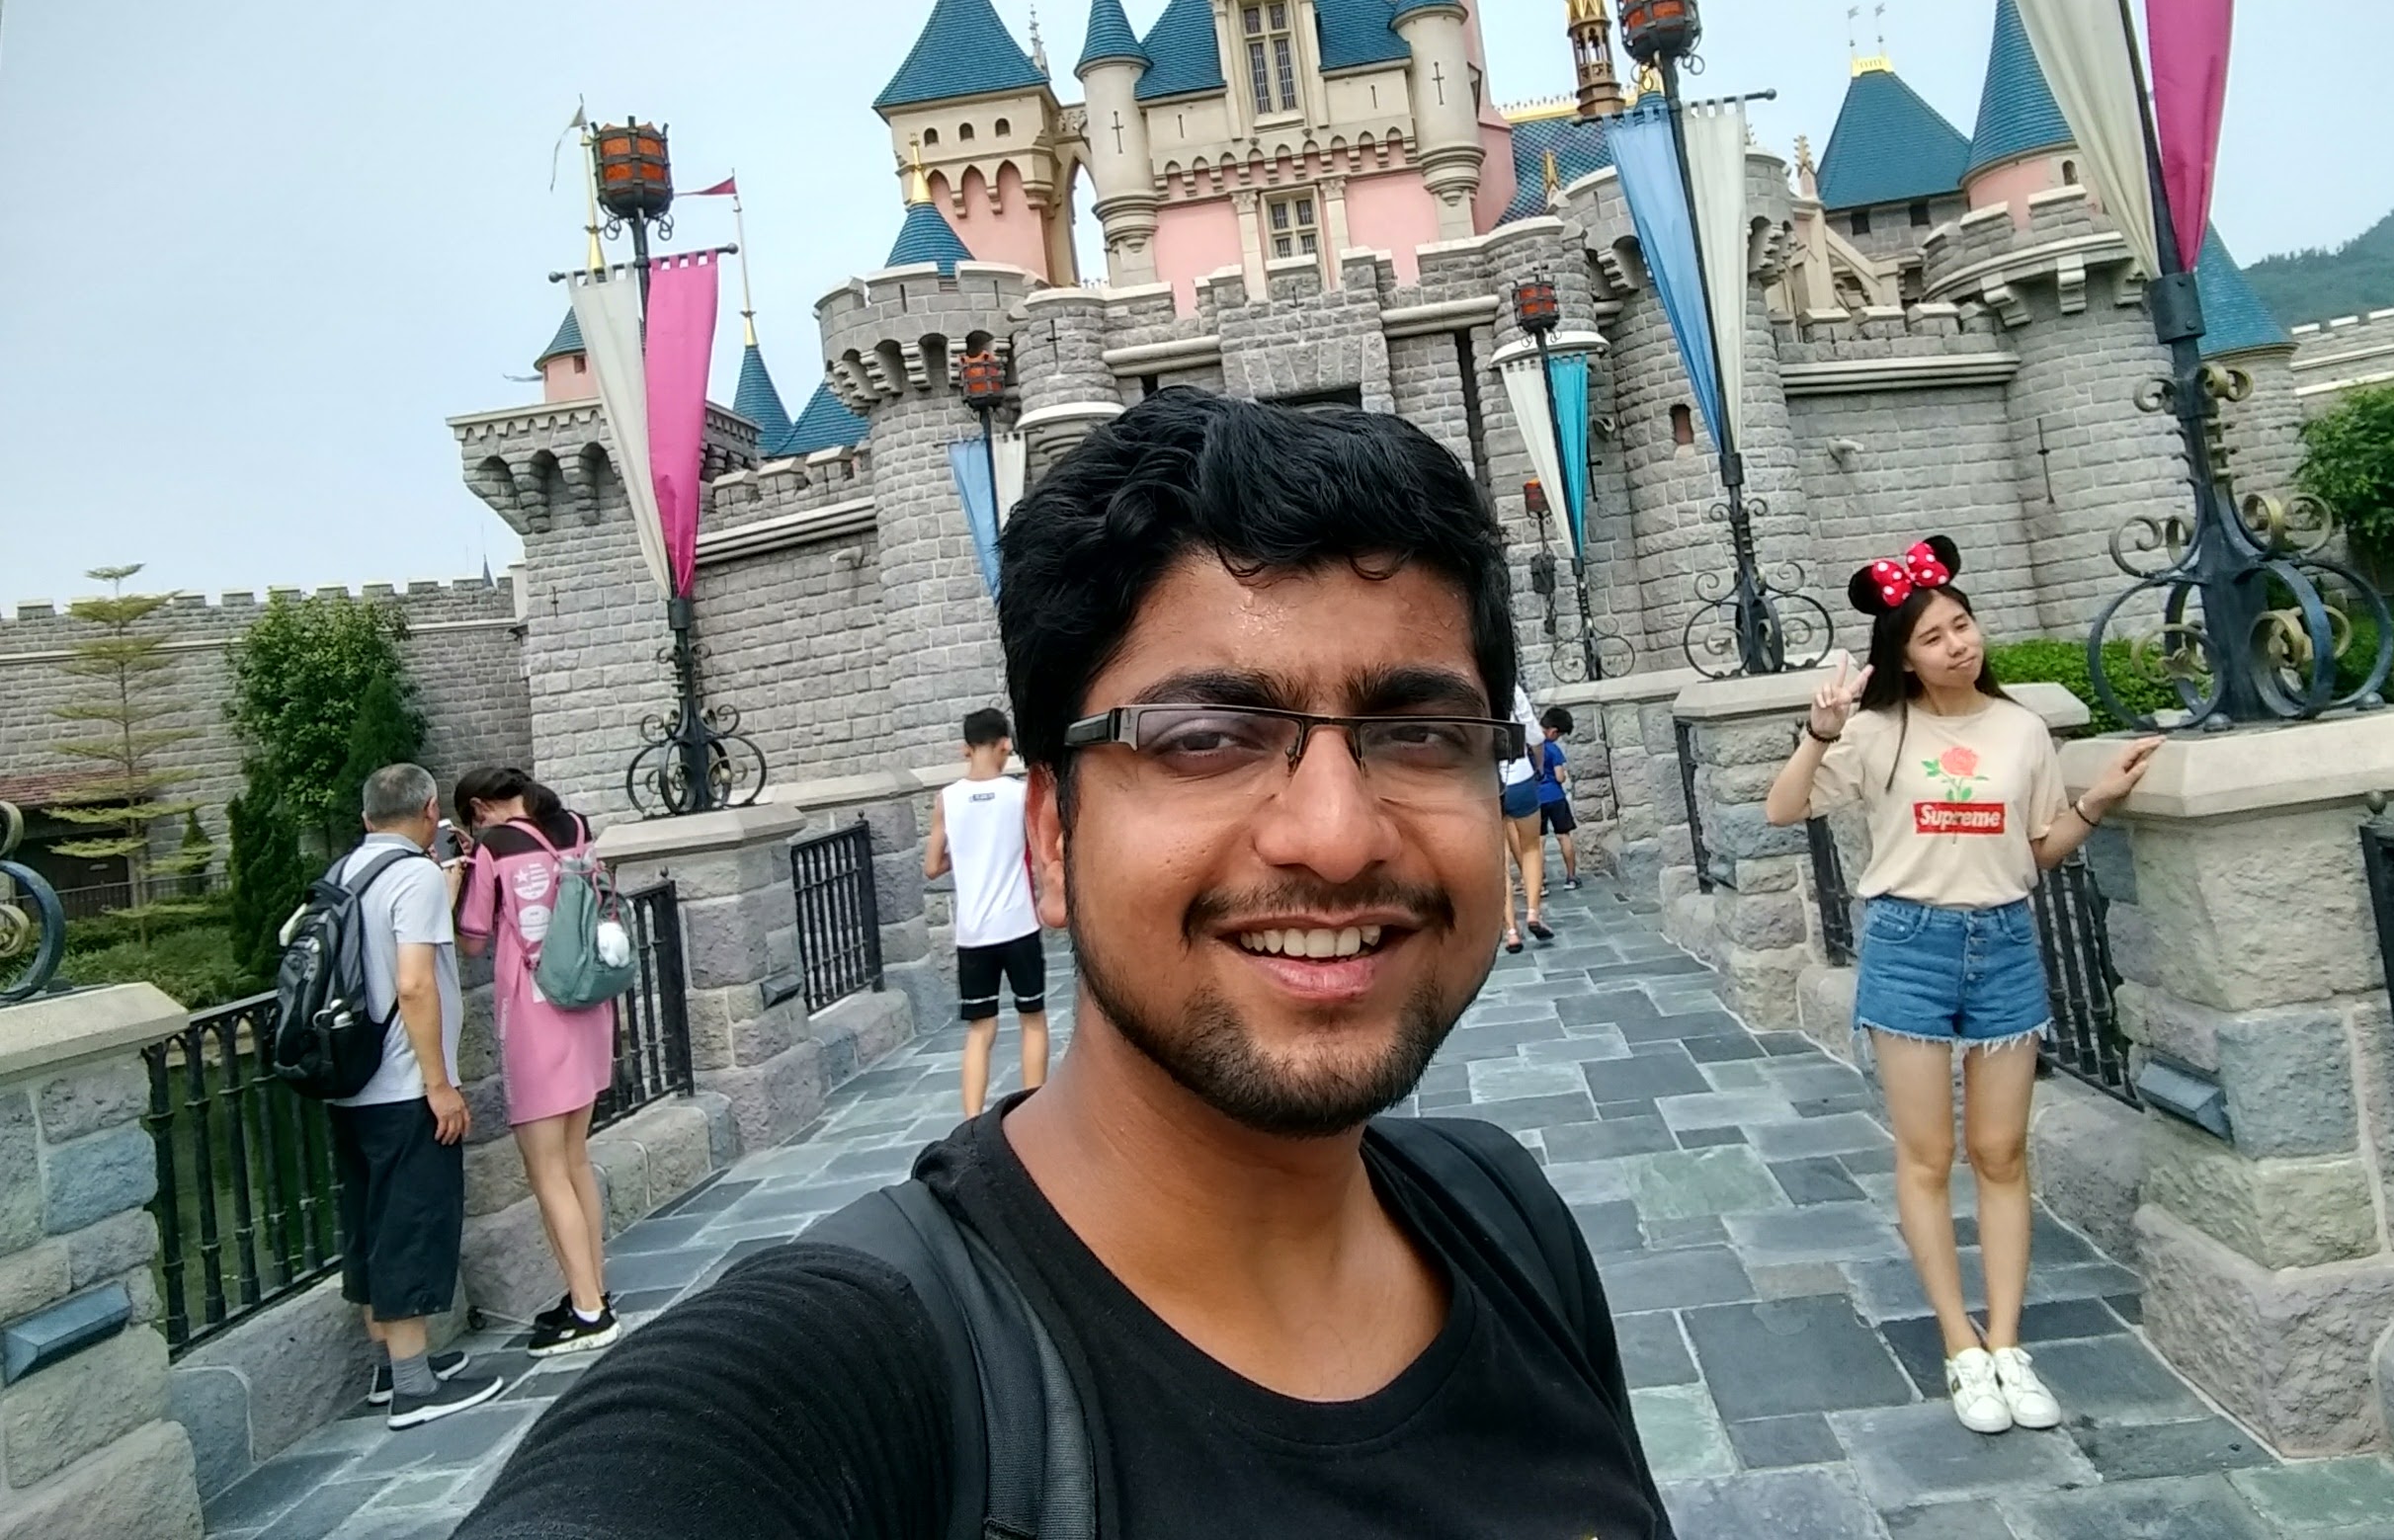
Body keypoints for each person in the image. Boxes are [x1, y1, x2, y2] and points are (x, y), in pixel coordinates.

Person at [460, 387, 1668, 1539]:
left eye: (1417, 734)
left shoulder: (1505, 1218)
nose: (1338, 835)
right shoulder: (843, 1378)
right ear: (1052, 834)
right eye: (1204, 738)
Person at [1765, 536, 2159, 1437]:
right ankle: (1959, 1345)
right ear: (1902, 654)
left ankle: (2009, 1342)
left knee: (2002, 1152)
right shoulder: (1875, 733)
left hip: (2006, 942)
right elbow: (1784, 809)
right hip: (1909, 941)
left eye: (1963, 626)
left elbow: (2037, 852)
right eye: (1935, 636)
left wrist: (2095, 802)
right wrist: (1820, 729)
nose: (1957, 645)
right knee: (1928, 1157)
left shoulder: (2020, 729)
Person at [334, 764, 504, 1429]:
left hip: (351, 1083)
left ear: (367, 815)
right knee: (409, 1222)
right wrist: (439, 1084)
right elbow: (415, 984)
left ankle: (387, 1367)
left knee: (369, 1222)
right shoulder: (413, 878)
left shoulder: (347, 872)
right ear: (432, 811)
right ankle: (413, 1386)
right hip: (404, 1083)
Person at [454, 766, 620, 1357]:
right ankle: (591, 1288)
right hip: (588, 1002)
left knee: (545, 1169)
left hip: (534, 1009)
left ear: (480, 808)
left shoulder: (495, 846)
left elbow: (472, 936)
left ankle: (590, 1311)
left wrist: (460, 873)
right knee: (575, 1158)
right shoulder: (575, 825)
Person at [923, 708, 1049, 1118]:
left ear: (965, 748)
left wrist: (966, 855)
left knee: (981, 1029)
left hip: (972, 934)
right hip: (1018, 926)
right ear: (1004, 745)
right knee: (1031, 1018)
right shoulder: (1019, 795)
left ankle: (972, 1120)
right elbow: (1038, 851)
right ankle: (1033, 1111)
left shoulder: (947, 800)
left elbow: (932, 866)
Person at [1498, 681, 1551, 952]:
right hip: (1519, 774)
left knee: (1499, 861)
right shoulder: (1511, 689)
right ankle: (1532, 912)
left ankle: (1510, 931)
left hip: (1486, 783)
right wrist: (1539, 765)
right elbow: (1534, 735)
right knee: (1531, 847)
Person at [1536, 704, 1580, 890]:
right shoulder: (1553, 749)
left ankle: (1540, 881)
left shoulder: (1529, 746)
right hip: (1555, 797)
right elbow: (1560, 776)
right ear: (1553, 732)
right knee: (1564, 836)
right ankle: (1571, 877)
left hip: (1535, 799)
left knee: (1538, 840)